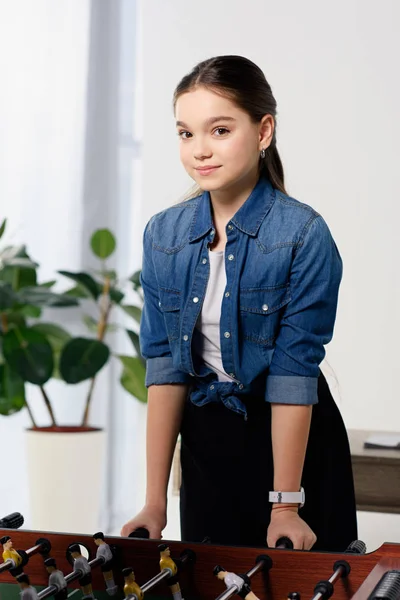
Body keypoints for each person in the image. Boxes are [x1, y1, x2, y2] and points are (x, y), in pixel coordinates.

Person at [120, 55, 357, 551]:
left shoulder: (303, 235)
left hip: (294, 442)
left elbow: (294, 372)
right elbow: (165, 368)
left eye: (220, 130)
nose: (199, 150)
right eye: (186, 134)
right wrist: (154, 501)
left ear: (264, 130)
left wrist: (286, 506)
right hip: (208, 444)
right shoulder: (163, 235)